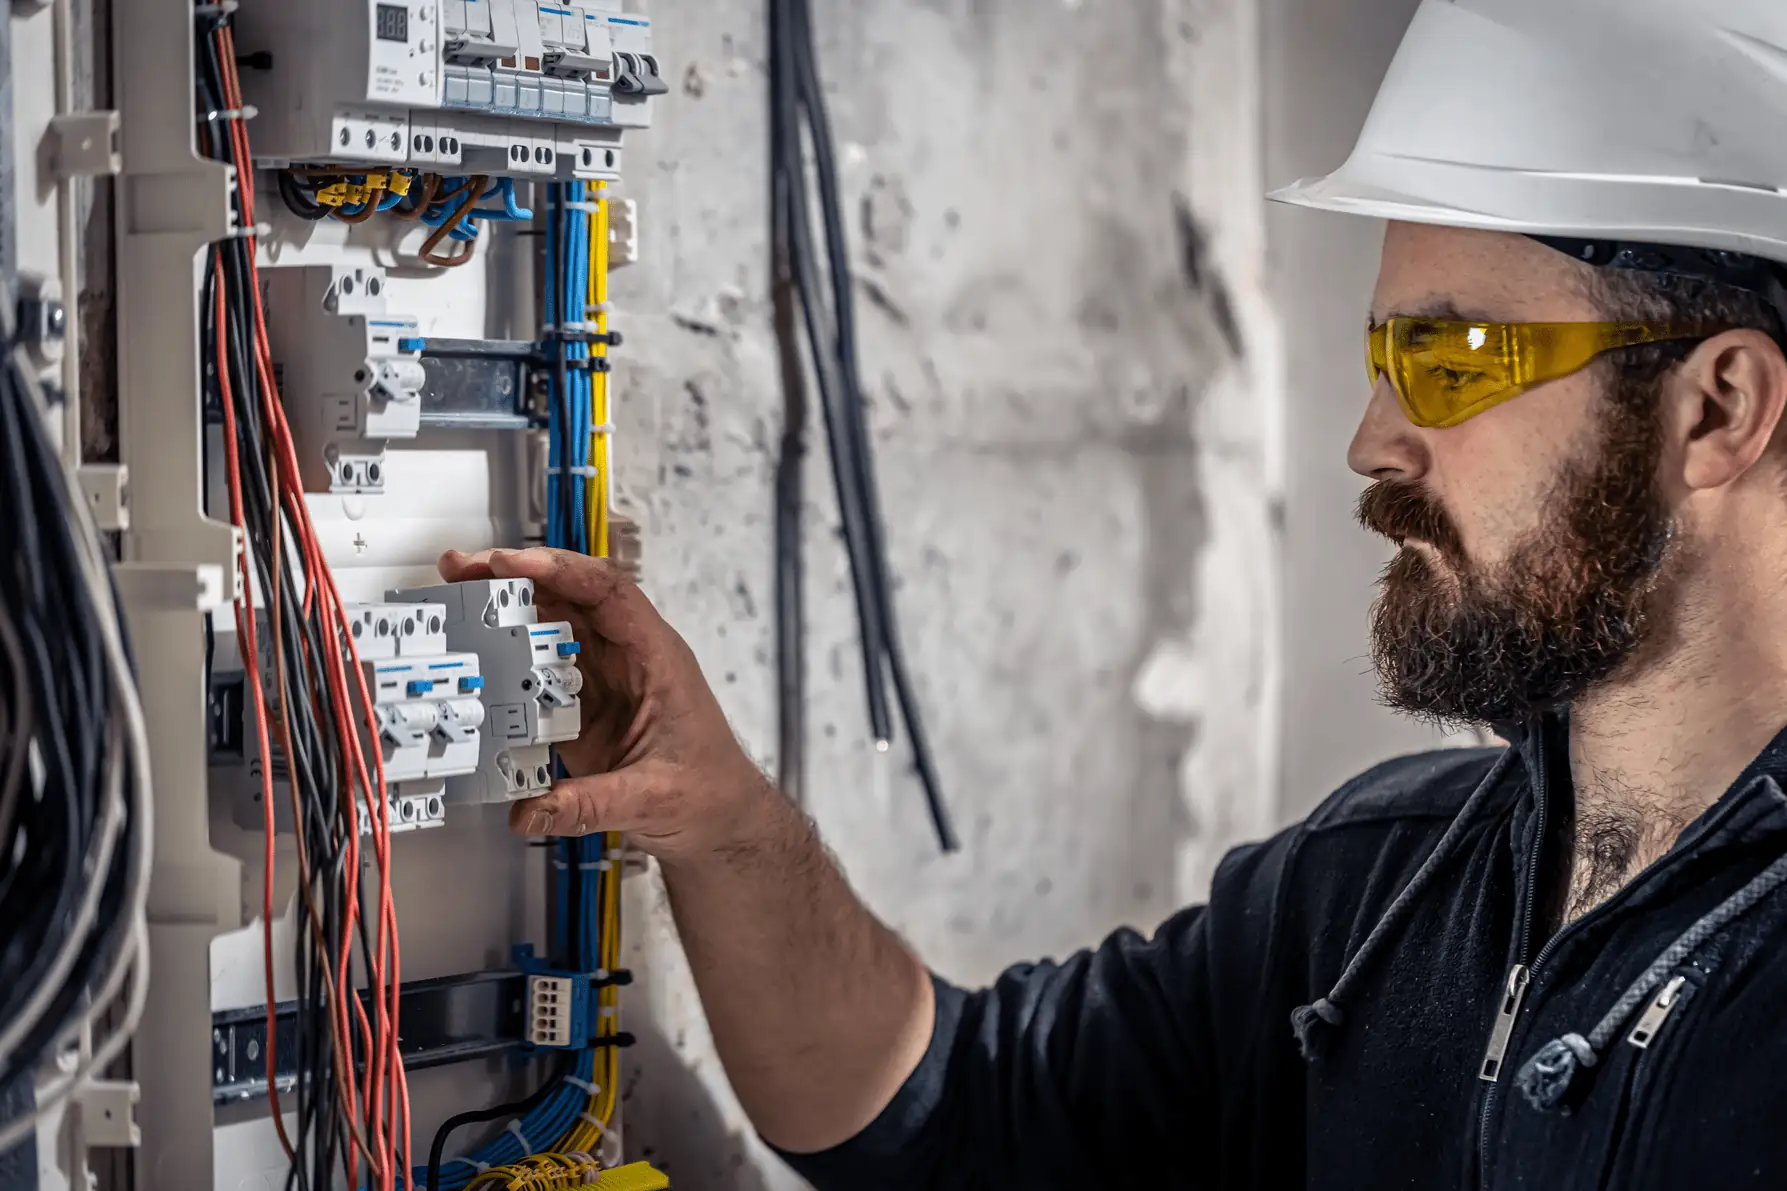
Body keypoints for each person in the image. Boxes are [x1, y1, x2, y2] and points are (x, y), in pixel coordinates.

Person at [441, 1, 1787, 1185]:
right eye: (1383, 353)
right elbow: (946, 1108)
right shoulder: (1375, 891)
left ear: (1715, 407)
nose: (1370, 439)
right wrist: (723, 819)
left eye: (1453, 357)